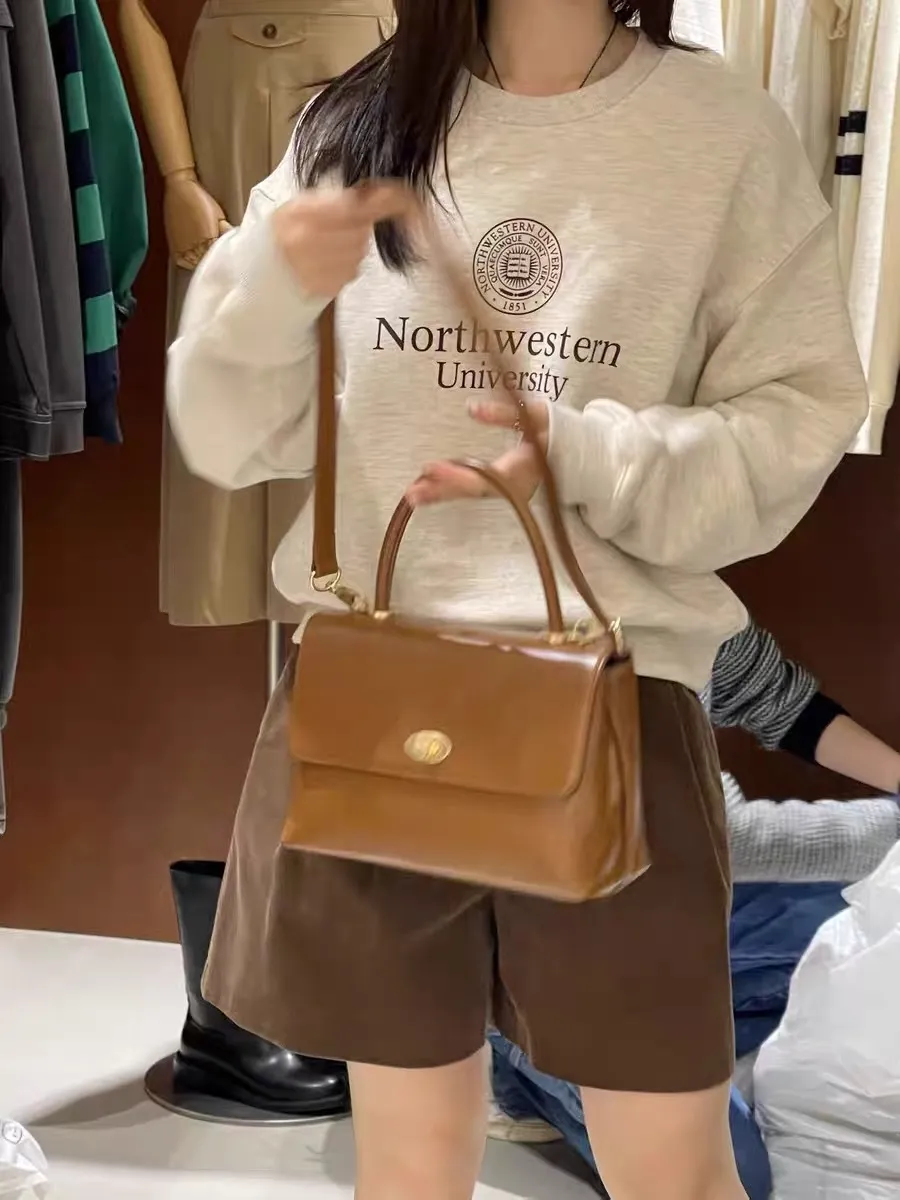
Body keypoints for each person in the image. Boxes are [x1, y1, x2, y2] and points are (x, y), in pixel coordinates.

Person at [166, 2, 868, 1197]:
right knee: (409, 1166)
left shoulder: (721, 133)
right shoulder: (358, 120)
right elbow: (226, 435)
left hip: (613, 714)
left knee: (673, 1171)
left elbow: (795, 420)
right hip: (377, 709)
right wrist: (269, 291)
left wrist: (584, 452)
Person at [489, 619, 900, 1200]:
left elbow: (774, 696)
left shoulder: (685, 592)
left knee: (853, 928)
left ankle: (697, 1037)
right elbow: (717, 839)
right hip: (548, 952)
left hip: (663, 918)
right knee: (726, 1173)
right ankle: (519, 1061)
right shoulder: (566, 624)